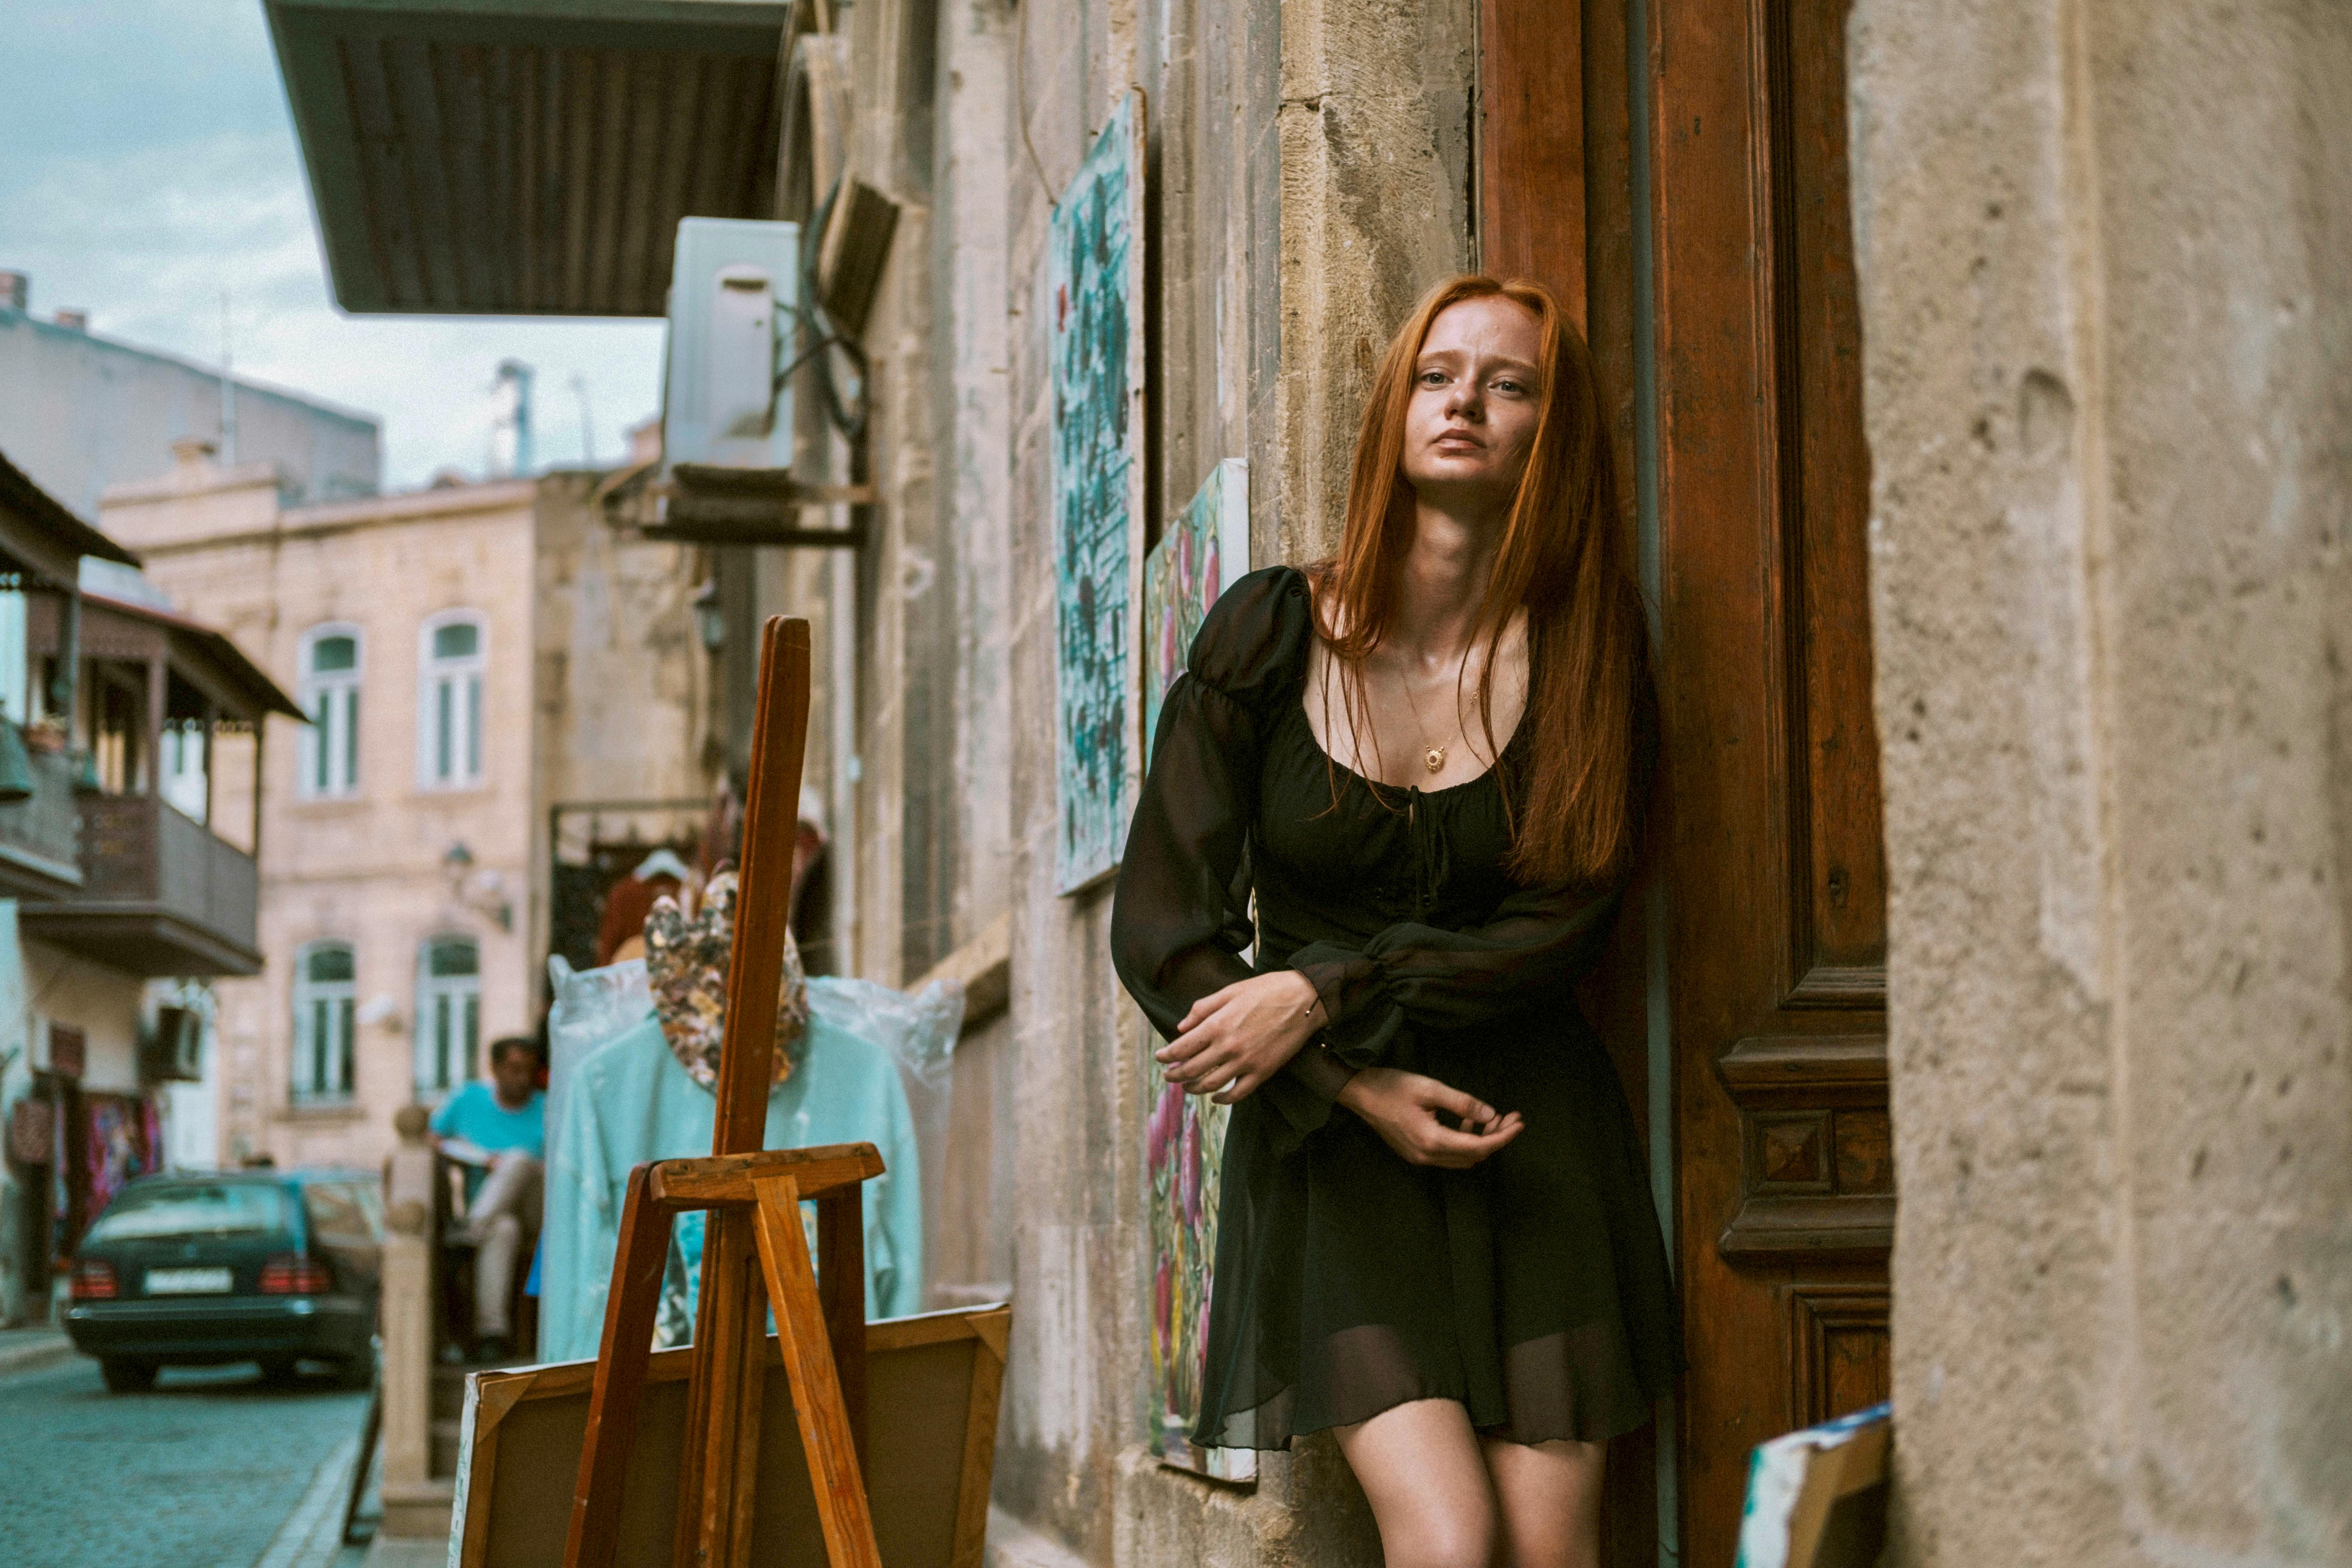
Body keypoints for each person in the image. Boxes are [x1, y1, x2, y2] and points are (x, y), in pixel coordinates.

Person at [1112, 275, 1679, 1568]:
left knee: (1552, 1551)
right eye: (1437, 375)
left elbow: (1566, 925)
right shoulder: (1268, 631)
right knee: (1450, 1542)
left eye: (1509, 382)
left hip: (1536, 1139)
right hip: (1339, 1148)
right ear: (1394, 410)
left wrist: (1320, 987)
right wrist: (1348, 1078)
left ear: (1555, 429)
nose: (1465, 401)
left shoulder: (1590, 652)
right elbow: (1164, 931)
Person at [429, 1035, 547, 1359]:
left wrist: (512, 1164)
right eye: (513, 1069)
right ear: (495, 1068)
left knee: (519, 1160)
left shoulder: (547, 1106)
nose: (521, 1078)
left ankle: (467, 1236)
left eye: (528, 1070)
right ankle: (491, 1334)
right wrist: (484, 1160)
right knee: (503, 1230)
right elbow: (433, 1139)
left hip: (536, 1208)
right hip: (496, 1214)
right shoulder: (469, 1099)